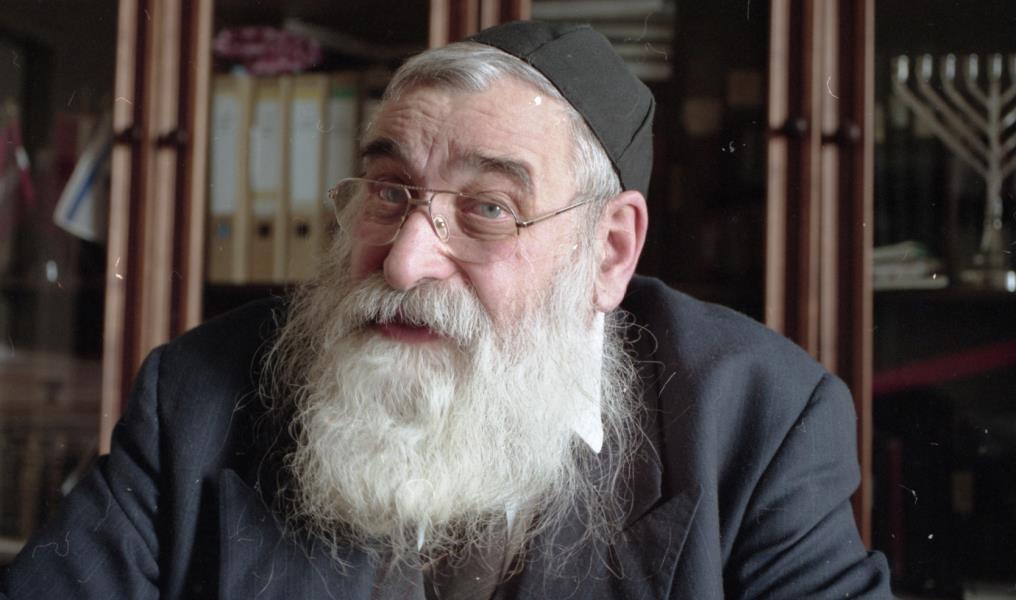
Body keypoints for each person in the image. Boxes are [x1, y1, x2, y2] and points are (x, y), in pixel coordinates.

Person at [0, 20, 890, 599]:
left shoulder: (761, 421)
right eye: (390, 191)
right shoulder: (194, 396)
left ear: (609, 251)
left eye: (488, 208)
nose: (403, 259)